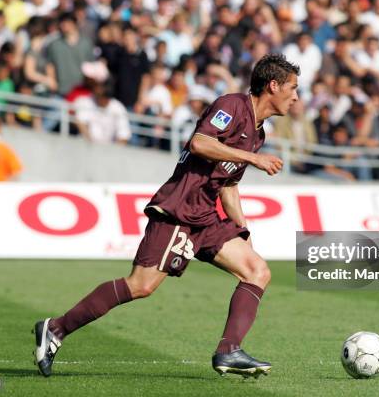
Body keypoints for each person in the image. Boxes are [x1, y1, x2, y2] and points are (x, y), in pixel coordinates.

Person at [33, 54, 299, 378]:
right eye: (293, 88)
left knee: (257, 270)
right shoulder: (232, 105)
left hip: (206, 215)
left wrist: (242, 228)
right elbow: (200, 143)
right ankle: (56, 329)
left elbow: (228, 184)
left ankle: (229, 351)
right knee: (141, 285)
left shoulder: (258, 134)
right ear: (273, 86)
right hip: (179, 209)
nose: (296, 97)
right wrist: (251, 159)